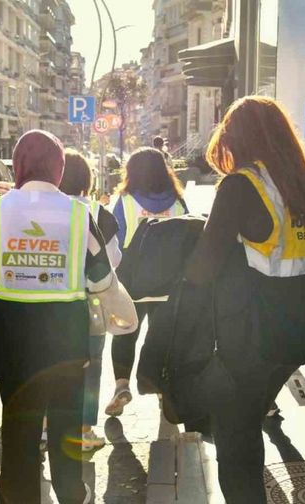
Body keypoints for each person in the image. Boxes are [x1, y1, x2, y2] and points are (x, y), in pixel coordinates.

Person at [185, 96, 305, 503]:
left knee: (235, 441)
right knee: (246, 424)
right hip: (296, 338)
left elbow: (204, 266)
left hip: (251, 336)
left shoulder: (242, 185)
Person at [0, 130, 114, 504]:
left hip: (11, 341)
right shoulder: (79, 213)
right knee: (66, 427)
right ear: (58, 167)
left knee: (19, 433)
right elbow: (100, 279)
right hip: (66, 341)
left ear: (18, 165)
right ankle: (70, 495)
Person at [107, 147, 187, 417]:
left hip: (132, 284)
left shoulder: (126, 201)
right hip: (169, 284)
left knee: (126, 334)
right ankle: (163, 390)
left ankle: (121, 386)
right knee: (162, 337)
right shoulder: (178, 202)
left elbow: (113, 241)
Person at [59, 149, 122, 452]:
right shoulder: (100, 214)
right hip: (91, 304)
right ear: (87, 179)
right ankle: (83, 431)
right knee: (91, 366)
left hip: (49, 302)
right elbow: (112, 261)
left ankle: (46, 427)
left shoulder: (46, 210)